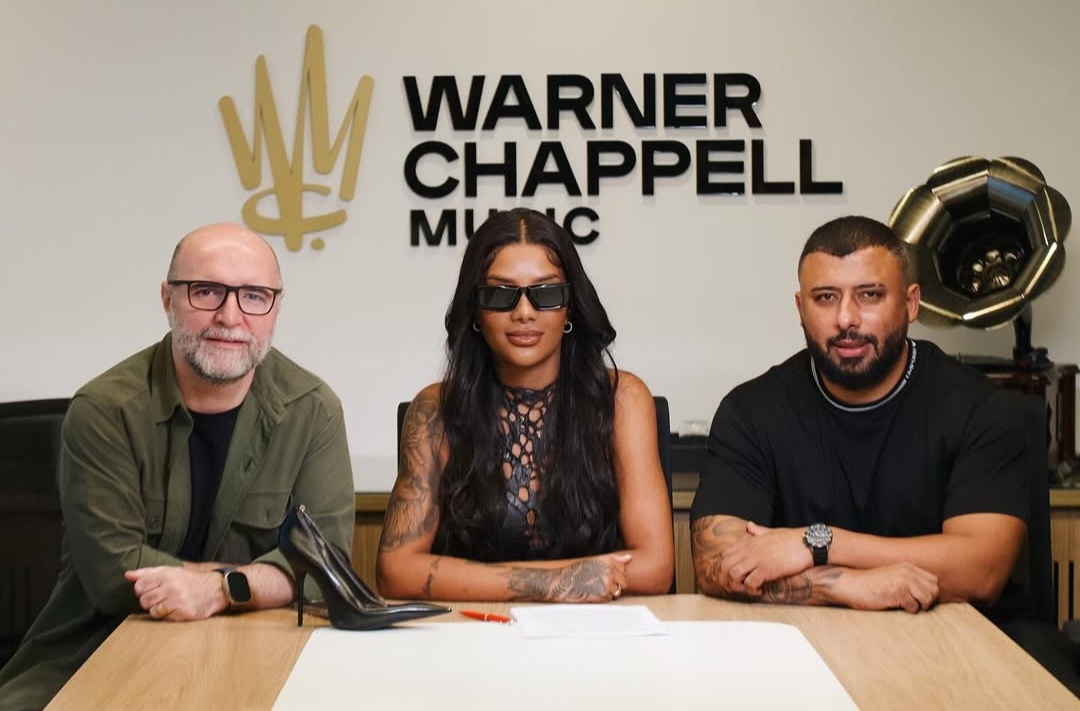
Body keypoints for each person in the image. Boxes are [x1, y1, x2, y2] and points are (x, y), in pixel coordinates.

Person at [0, 223, 355, 711]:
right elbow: (113, 575)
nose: (230, 316)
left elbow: (328, 567)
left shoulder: (312, 410)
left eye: (254, 296)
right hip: (92, 653)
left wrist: (219, 589)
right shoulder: (105, 410)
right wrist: (263, 580)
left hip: (258, 651)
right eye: (206, 291)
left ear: (276, 307)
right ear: (168, 298)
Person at [690, 215, 1030, 617]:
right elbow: (716, 565)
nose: (846, 319)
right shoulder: (750, 411)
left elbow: (981, 572)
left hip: (957, 640)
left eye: (869, 295)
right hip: (804, 641)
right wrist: (845, 585)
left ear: (911, 303)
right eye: (825, 297)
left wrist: (818, 543)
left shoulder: (981, 408)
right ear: (800, 309)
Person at [376, 208, 674, 602]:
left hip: (597, 630)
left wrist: (489, 580)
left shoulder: (622, 399)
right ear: (476, 309)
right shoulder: (436, 410)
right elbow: (395, 571)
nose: (524, 313)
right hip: (471, 630)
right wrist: (555, 582)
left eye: (546, 293)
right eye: (501, 294)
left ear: (570, 306)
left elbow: (656, 567)